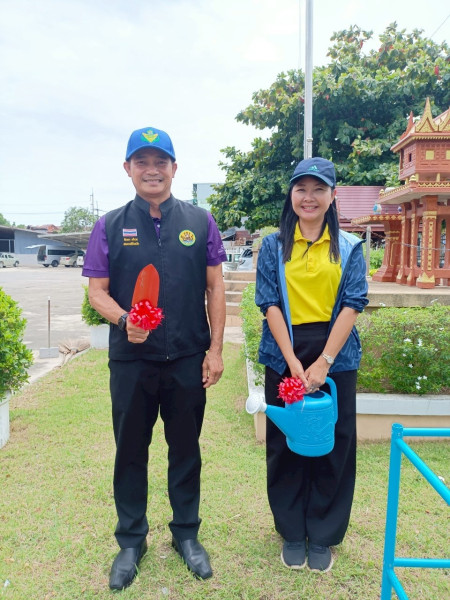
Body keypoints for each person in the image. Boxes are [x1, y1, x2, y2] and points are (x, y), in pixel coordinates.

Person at [82, 126, 227, 590]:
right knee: (130, 451)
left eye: (160, 161)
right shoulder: (109, 225)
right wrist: (125, 319)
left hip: (186, 356)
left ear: (174, 168)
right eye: (141, 162)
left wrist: (215, 350)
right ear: (127, 168)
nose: (151, 170)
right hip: (132, 360)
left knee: (186, 449)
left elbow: (215, 287)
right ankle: (131, 540)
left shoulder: (200, 221)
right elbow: (97, 291)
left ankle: (186, 534)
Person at [255, 157, 368, 573]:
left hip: (335, 354)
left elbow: (353, 303)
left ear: (332, 196)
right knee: (285, 441)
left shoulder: (350, 246)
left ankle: (322, 533)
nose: (309, 197)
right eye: (301, 188)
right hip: (284, 350)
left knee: (333, 442)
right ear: (291, 194)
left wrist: (324, 361)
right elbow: (269, 303)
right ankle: (291, 530)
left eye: (319, 189)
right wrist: (291, 362)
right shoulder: (273, 246)